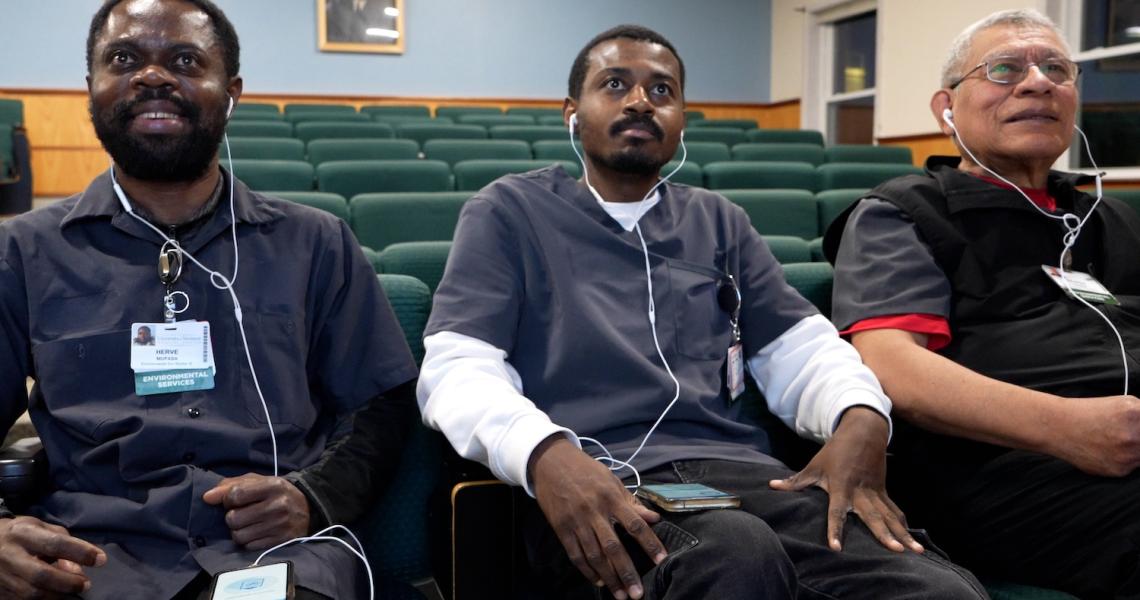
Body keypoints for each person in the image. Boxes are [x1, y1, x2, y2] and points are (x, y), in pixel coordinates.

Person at [418, 24, 987, 600]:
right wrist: (543, 453)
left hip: (743, 478)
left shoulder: (719, 222)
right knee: (736, 555)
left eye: (662, 90)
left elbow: (801, 347)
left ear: (682, 119)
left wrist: (861, 413)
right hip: (591, 484)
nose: (641, 101)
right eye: (614, 84)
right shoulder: (510, 212)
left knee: (939, 590)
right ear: (572, 113)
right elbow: (457, 367)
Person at [0, 1, 419, 598]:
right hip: (90, 554)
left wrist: (314, 496)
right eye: (124, 59)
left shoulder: (315, 243)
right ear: (91, 87)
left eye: (185, 61)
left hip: (276, 556)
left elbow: (380, 404)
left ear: (231, 94)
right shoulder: (23, 251)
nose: (153, 76)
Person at [823, 9, 1140, 598]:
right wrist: (1070, 429)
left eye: (1056, 69)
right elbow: (891, 365)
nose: (1038, 82)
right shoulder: (906, 213)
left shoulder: (1109, 216)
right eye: (1004, 69)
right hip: (1011, 470)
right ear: (946, 108)